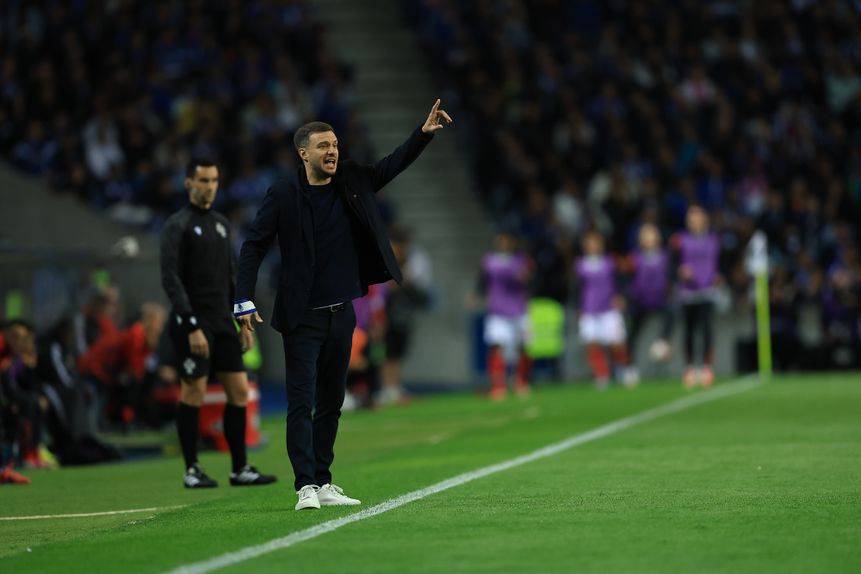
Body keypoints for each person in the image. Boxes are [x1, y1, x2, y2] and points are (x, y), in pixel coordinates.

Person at [234, 99, 452, 510]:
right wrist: (243, 300)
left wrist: (422, 135)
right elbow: (253, 247)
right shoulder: (282, 194)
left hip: (342, 313)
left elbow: (391, 165)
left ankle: (324, 479)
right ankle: (304, 487)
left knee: (332, 402)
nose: (332, 151)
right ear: (303, 153)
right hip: (302, 316)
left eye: (335, 145)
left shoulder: (351, 179)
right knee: (302, 403)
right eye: (323, 146)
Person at [160, 159, 277, 489]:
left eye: (214, 180)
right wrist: (192, 324)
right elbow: (171, 279)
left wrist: (241, 321)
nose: (209, 186)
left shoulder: (221, 224)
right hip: (192, 323)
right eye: (203, 180)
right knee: (193, 391)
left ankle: (240, 467)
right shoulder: (177, 225)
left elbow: (230, 278)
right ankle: (192, 469)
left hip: (221, 322)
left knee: (239, 391)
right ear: (188, 183)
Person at [475, 231, 534, 400]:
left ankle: (521, 381)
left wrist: (527, 279)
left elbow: (531, 281)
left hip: (519, 309)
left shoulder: (521, 260)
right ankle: (499, 385)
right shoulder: (489, 261)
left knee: (523, 346)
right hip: (497, 310)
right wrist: (477, 294)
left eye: (507, 240)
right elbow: (482, 280)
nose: (503, 243)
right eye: (500, 240)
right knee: (497, 345)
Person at [574, 230, 637, 388]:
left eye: (596, 242)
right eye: (590, 242)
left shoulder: (611, 262)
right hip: (589, 309)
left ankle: (624, 368)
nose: (593, 245)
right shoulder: (580, 265)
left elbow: (623, 280)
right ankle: (602, 374)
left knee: (617, 343)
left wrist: (622, 296)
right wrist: (578, 308)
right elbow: (576, 289)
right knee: (592, 343)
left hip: (609, 308)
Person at [671, 205, 720, 388]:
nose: (694, 221)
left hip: (707, 290)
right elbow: (672, 262)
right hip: (688, 292)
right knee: (689, 331)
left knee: (706, 329)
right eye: (690, 218)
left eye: (697, 217)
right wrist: (680, 271)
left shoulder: (713, 240)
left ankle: (707, 368)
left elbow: (719, 262)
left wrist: (717, 275)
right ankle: (690, 368)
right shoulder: (681, 240)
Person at [625, 223, 675, 366]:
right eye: (645, 235)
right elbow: (627, 278)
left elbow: (671, 276)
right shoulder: (634, 257)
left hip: (660, 298)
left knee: (671, 315)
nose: (648, 238)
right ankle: (629, 367)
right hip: (640, 301)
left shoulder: (665, 256)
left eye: (651, 234)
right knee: (633, 335)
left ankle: (661, 342)